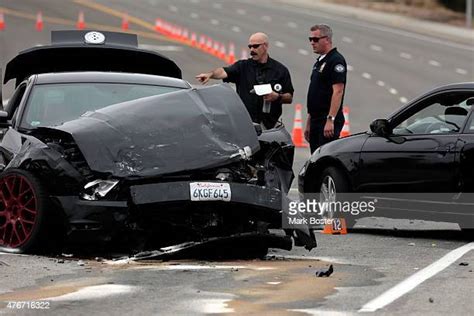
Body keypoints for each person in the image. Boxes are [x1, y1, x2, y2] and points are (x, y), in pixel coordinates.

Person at [196, 32, 294, 129]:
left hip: (269, 125)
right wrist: (210, 74)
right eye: (250, 46)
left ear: (265, 46)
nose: (252, 50)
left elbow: (289, 97)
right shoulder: (242, 66)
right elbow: (223, 72)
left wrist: (277, 97)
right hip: (246, 124)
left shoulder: (280, 70)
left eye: (255, 46)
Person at [304, 24, 347, 153]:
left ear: (327, 39)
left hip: (326, 120)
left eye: (315, 39)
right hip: (316, 119)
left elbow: (338, 91)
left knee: (324, 157)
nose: (312, 43)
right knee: (315, 157)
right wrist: (309, 122)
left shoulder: (336, 61)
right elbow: (316, 95)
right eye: (310, 39)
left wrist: (330, 120)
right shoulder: (320, 61)